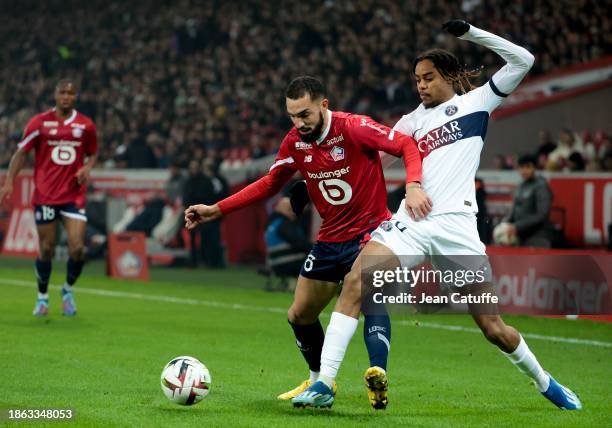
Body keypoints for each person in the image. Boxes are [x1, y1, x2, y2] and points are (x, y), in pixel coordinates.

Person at [295, 21, 582, 411]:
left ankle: (546, 382)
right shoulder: (411, 122)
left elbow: (524, 59)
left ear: (448, 75)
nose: (421, 85)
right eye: (416, 79)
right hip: (411, 226)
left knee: (493, 328)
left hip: (457, 228)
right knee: (356, 282)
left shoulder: (479, 102)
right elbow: (369, 157)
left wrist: (471, 33)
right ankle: (325, 383)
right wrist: (311, 176)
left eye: (428, 77)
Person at [185, 76, 431, 408]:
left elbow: (405, 145)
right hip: (331, 239)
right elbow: (271, 183)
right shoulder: (294, 142)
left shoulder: (354, 127)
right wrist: (217, 209)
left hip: (372, 233)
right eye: (292, 115)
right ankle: (317, 381)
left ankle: (377, 374)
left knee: (368, 299)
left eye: (305, 114)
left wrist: (413, 183)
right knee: (299, 314)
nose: (299, 123)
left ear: (323, 105)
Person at [0, 79, 98, 317]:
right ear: (55, 95)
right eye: (62, 92)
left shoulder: (86, 125)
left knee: (77, 248)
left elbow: (92, 152)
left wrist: (87, 167)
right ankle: (42, 297)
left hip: (73, 195)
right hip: (45, 195)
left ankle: (67, 290)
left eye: (70, 93)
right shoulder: (39, 122)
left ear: (75, 97)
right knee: (46, 248)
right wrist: (10, 181)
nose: (66, 96)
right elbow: (21, 152)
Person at [504, 154, 555, 248]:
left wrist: (517, 226)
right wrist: (503, 225)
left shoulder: (542, 186)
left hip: (538, 237)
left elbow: (542, 215)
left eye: (528, 167)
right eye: (521, 167)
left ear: (534, 168)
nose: (524, 171)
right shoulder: (520, 186)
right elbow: (514, 211)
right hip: (520, 237)